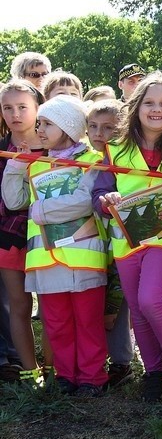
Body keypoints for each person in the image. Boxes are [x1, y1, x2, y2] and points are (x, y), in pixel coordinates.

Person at [92, 73, 162, 409]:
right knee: (137, 308)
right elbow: (98, 191)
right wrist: (105, 200)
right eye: (149, 102)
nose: (156, 109)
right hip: (126, 239)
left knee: (151, 299)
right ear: (136, 108)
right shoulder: (115, 147)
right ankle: (153, 372)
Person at [2, 95, 108, 397]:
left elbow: (84, 201)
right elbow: (14, 201)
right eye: (40, 124)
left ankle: (92, 378)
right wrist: (15, 168)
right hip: (45, 260)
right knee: (56, 322)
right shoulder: (37, 162)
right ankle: (65, 375)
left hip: (83, 257)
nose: (40, 129)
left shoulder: (92, 161)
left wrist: (41, 211)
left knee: (87, 321)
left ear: (68, 126)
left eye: (47, 123)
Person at [85, 99, 134, 388]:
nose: (99, 134)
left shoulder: (125, 159)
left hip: (123, 242)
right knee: (100, 301)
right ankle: (104, 357)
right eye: (93, 126)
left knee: (120, 302)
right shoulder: (82, 158)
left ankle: (122, 361)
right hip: (91, 246)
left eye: (108, 128)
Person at [0, 80, 45, 384]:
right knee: (19, 303)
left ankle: (55, 369)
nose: (15, 114)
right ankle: (31, 371)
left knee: (53, 303)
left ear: (38, 108)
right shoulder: (3, 147)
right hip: (8, 235)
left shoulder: (56, 144)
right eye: (7, 108)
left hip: (51, 236)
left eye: (22, 107)